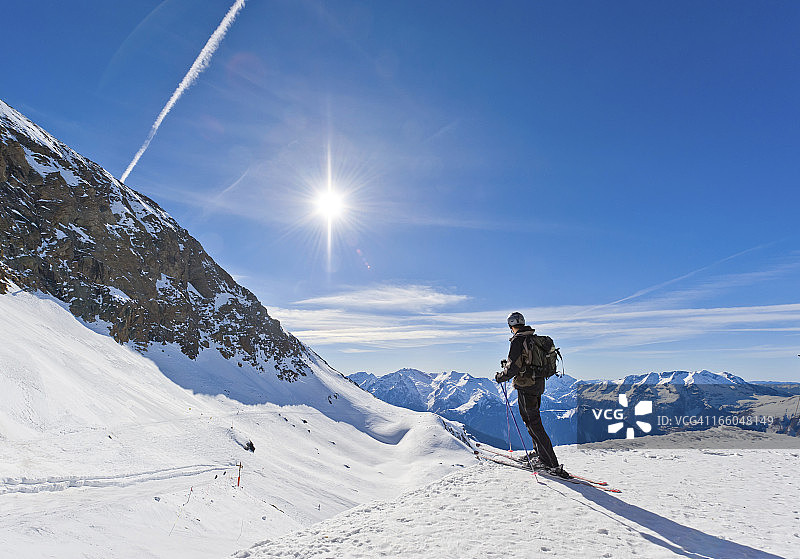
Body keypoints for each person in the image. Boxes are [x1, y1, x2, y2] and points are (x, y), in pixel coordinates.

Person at [495, 311, 569, 478]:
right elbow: (526, 362)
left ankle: (550, 463)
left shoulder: (518, 341)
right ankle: (539, 454)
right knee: (533, 420)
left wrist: (501, 376)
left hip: (525, 386)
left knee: (533, 423)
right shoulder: (535, 340)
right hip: (538, 385)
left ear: (510, 325)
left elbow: (513, 367)